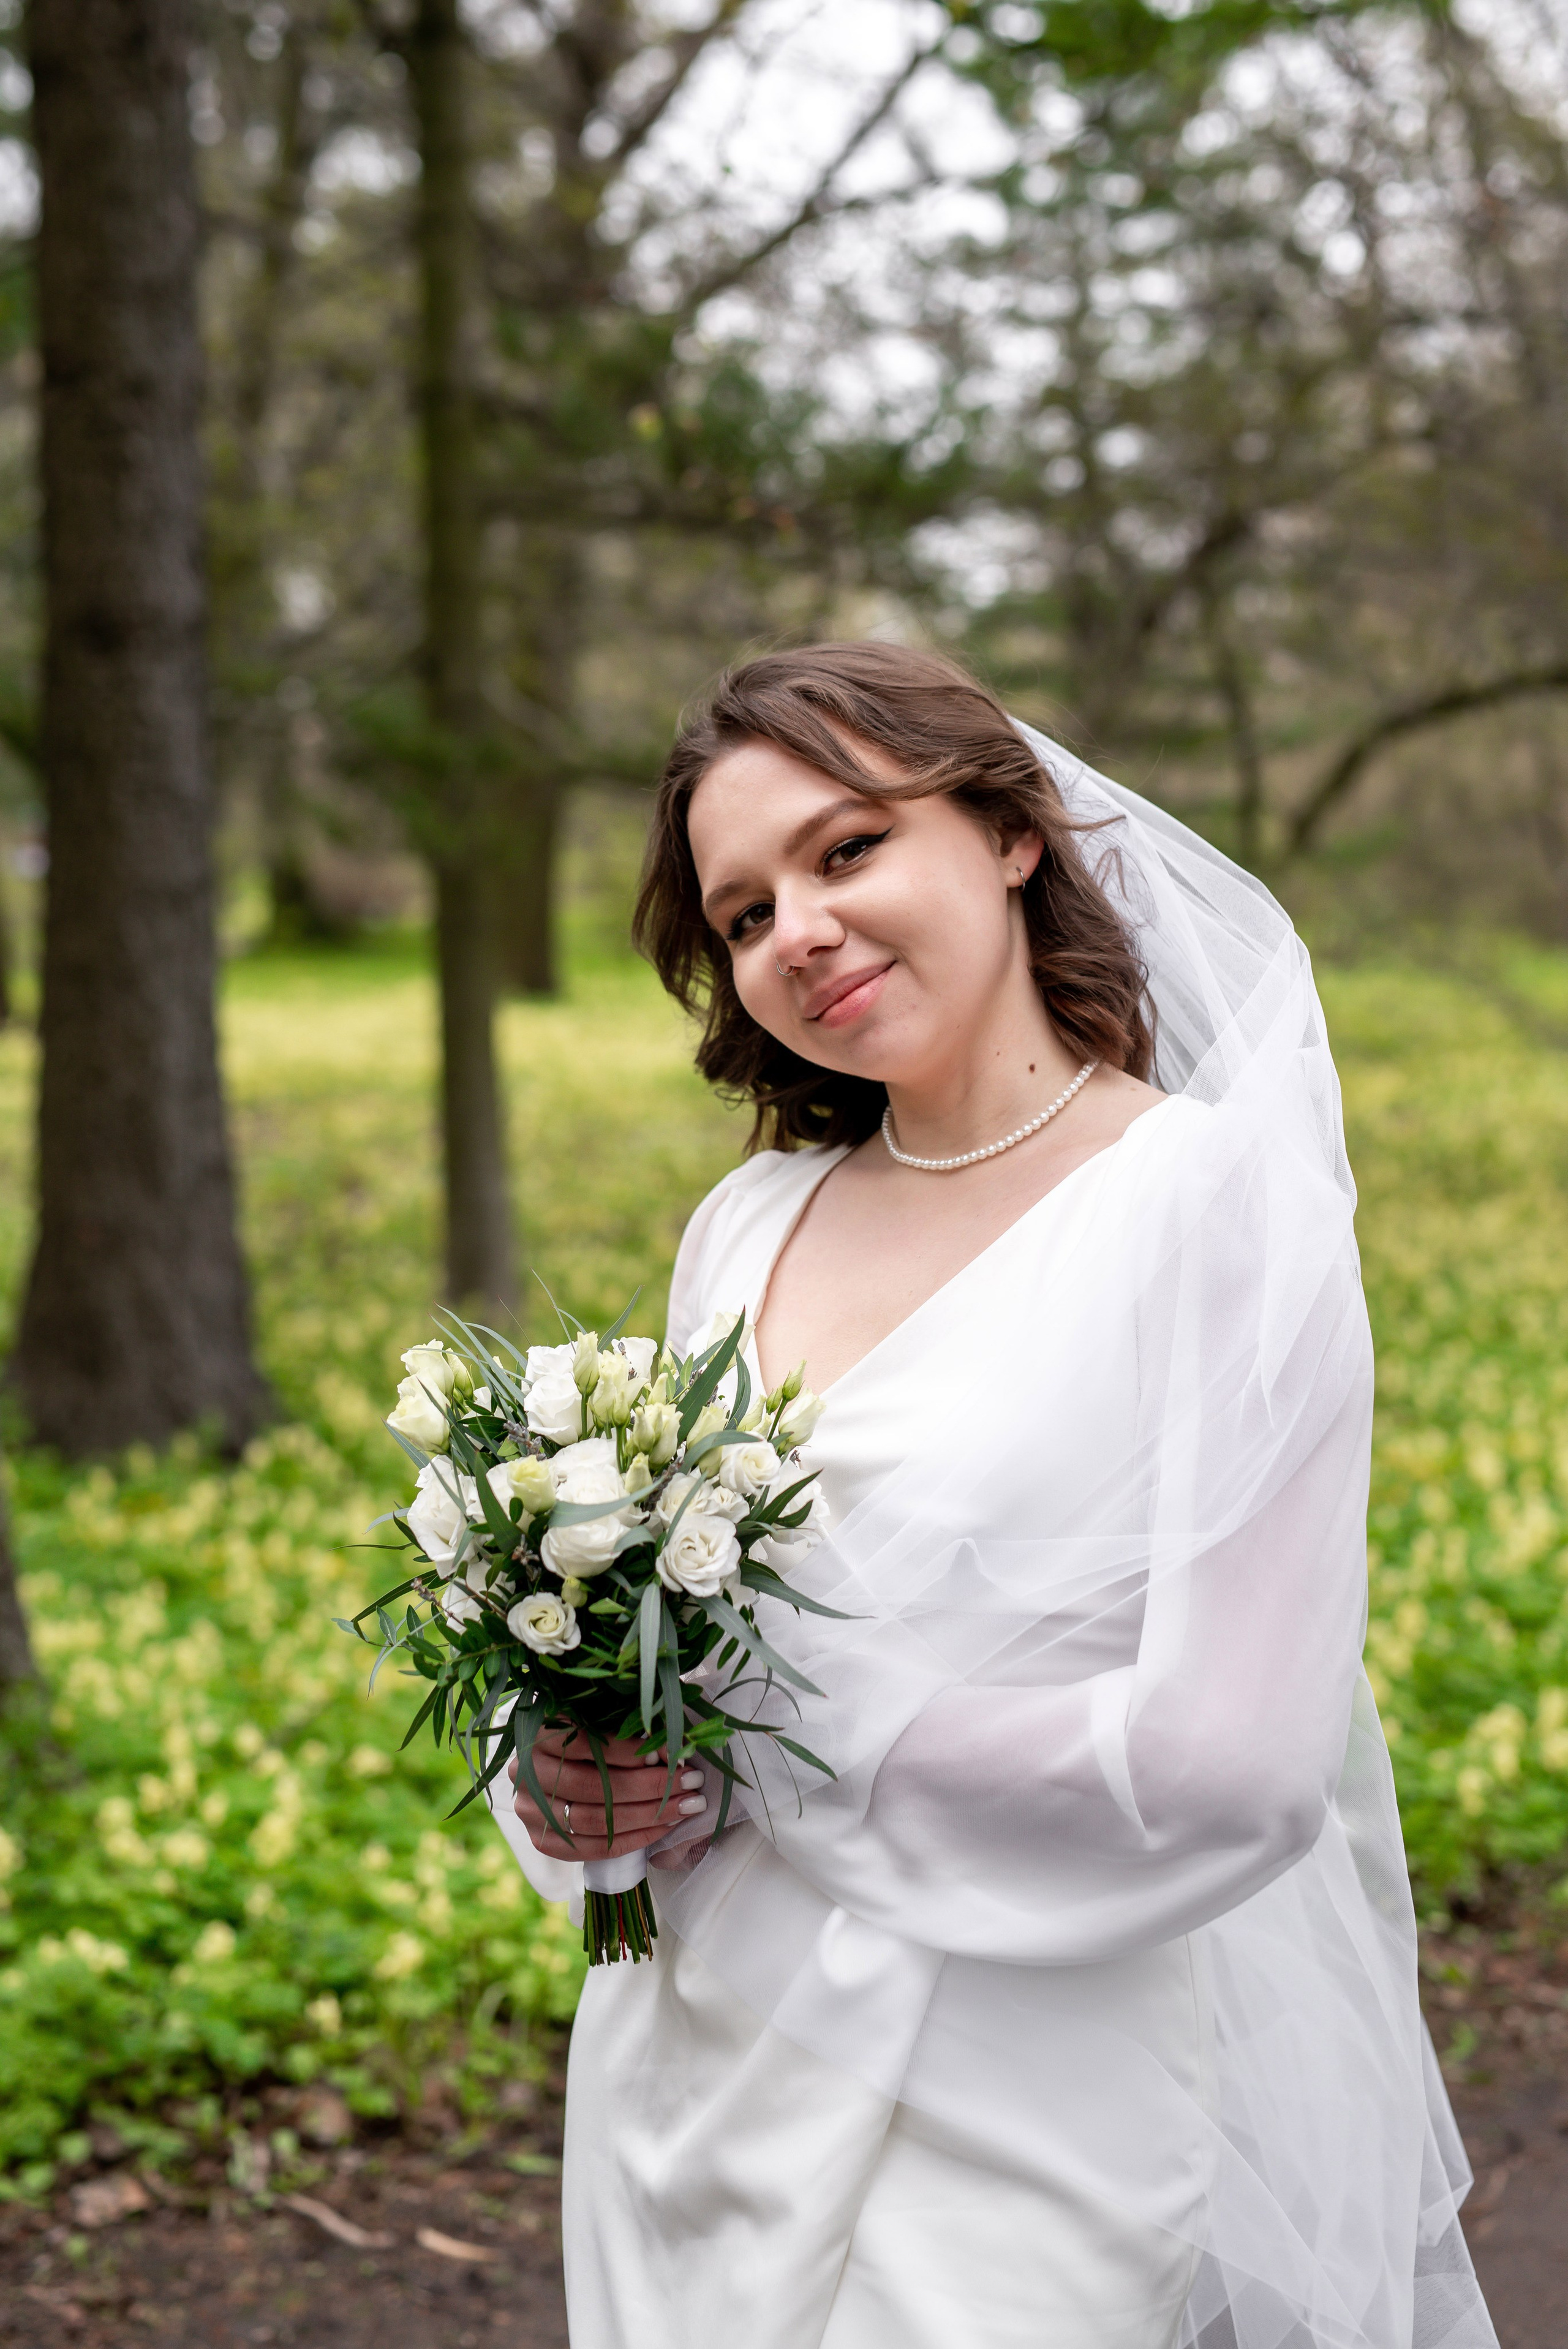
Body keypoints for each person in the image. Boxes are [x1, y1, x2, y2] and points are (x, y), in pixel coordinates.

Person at [488, 642, 1496, 2349]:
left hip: (1031, 2077)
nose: (794, 927)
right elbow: (668, 1643)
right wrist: (580, 1769)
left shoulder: (1210, 1209)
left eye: (847, 848)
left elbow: (1233, 1761)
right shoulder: (742, 1233)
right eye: (740, 914)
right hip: (696, 2078)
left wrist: (770, 1727)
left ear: (1010, 835)